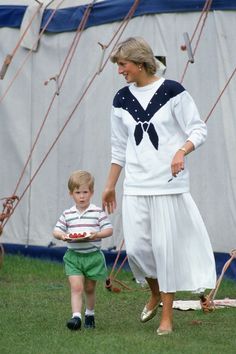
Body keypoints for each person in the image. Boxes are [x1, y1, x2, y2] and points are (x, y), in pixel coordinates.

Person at [102, 37, 216, 335]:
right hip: (135, 186)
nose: (120, 71)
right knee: (138, 250)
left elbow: (198, 128)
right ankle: (153, 291)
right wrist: (110, 185)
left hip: (167, 186)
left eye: (122, 65)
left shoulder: (172, 91)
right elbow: (118, 146)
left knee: (165, 250)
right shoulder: (120, 99)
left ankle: (167, 316)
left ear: (140, 63)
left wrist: (181, 151)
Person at [53, 170, 113, 331]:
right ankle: (76, 317)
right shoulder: (68, 214)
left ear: (91, 193)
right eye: (77, 192)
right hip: (73, 257)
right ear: (71, 193)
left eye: (85, 192)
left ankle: (90, 314)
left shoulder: (97, 212)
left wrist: (96, 234)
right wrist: (63, 236)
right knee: (77, 287)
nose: (81, 196)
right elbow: (56, 231)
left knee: (89, 288)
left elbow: (109, 230)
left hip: (92, 257)